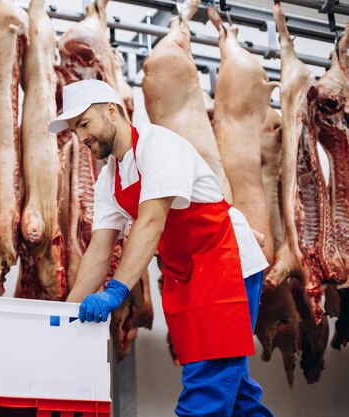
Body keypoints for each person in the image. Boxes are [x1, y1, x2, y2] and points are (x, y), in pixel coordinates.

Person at [48, 79, 274, 417]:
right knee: (235, 392)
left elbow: (152, 221)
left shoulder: (159, 146)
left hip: (224, 263)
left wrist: (115, 291)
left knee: (206, 385)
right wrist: (69, 310)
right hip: (185, 276)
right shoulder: (109, 178)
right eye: (75, 131)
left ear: (112, 110)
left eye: (84, 124)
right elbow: (100, 247)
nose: (81, 138)